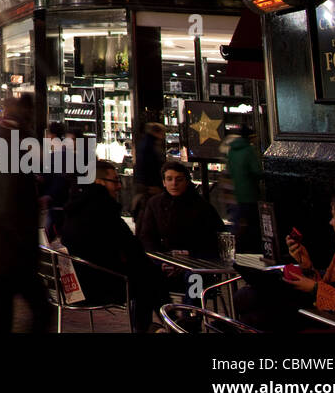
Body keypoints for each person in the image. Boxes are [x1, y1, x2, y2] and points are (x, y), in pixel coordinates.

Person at [238, 191, 335, 331]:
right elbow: (327, 286)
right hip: (327, 316)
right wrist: (307, 266)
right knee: (246, 298)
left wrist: (315, 289)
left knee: (255, 311)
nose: (331, 222)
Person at [0, 93, 50, 333]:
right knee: (29, 310)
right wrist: (21, 240)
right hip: (8, 245)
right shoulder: (11, 144)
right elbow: (5, 199)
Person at [61, 160, 165, 333]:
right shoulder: (102, 209)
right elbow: (132, 247)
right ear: (99, 182)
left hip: (77, 284)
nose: (119, 186)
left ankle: (156, 325)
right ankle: (165, 323)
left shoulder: (76, 206)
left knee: (146, 274)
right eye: (115, 181)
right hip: (97, 287)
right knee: (150, 277)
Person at [136, 161, 225, 259]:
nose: (174, 183)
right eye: (169, 179)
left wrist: (190, 256)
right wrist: (162, 260)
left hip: (195, 261)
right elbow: (147, 237)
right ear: (164, 182)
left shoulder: (201, 206)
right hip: (164, 260)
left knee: (193, 275)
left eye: (179, 179)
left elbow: (213, 240)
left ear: (186, 181)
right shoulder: (154, 203)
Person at [225, 126, 263, 252]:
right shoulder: (248, 150)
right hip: (249, 194)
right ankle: (251, 251)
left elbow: (229, 170)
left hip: (235, 195)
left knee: (239, 225)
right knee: (253, 226)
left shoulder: (232, 150)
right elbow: (256, 171)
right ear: (251, 137)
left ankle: (239, 250)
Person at [131, 122, 166, 218]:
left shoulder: (144, 143)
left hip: (143, 184)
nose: (163, 137)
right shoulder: (151, 146)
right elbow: (151, 166)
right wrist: (154, 185)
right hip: (149, 185)